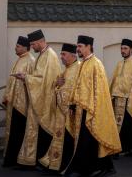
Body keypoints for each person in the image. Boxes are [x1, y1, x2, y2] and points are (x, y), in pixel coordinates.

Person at [64, 35, 120, 177]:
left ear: (89, 47)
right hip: (82, 108)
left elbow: (100, 90)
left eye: (80, 46)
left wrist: (93, 107)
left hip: (93, 109)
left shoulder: (96, 64)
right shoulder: (83, 64)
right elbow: (78, 86)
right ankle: (88, 168)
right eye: (77, 47)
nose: (77, 49)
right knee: (85, 140)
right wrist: (72, 103)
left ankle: (99, 168)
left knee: (92, 139)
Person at [15, 29, 60, 163]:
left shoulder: (50, 56)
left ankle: (40, 160)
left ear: (41, 41)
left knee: (42, 132)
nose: (32, 47)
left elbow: (44, 80)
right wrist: (27, 78)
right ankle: (31, 160)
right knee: (34, 130)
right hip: (38, 98)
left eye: (33, 44)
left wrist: (26, 77)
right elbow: (39, 78)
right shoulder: (42, 54)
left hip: (45, 100)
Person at [40, 43, 81, 173]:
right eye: (61, 54)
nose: (61, 57)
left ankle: (63, 166)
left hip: (70, 114)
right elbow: (59, 87)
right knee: (60, 140)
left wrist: (59, 89)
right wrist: (57, 85)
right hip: (61, 113)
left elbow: (72, 93)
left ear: (73, 55)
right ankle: (54, 164)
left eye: (64, 54)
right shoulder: (67, 69)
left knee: (68, 142)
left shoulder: (78, 69)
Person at [2, 36, 36, 167]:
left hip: (23, 104)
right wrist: (7, 96)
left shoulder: (31, 61)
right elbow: (12, 82)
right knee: (12, 132)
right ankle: (10, 159)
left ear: (25, 47)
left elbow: (33, 82)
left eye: (17, 46)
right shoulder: (19, 60)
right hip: (14, 102)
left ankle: (17, 159)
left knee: (19, 132)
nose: (15, 48)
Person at [109, 38, 132, 155]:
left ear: (131, 49)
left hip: (129, 100)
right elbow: (114, 81)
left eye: (125, 48)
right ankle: (119, 146)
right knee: (118, 125)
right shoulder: (119, 64)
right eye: (121, 48)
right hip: (117, 99)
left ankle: (129, 147)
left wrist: (130, 99)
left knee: (128, 125)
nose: (123, 51)